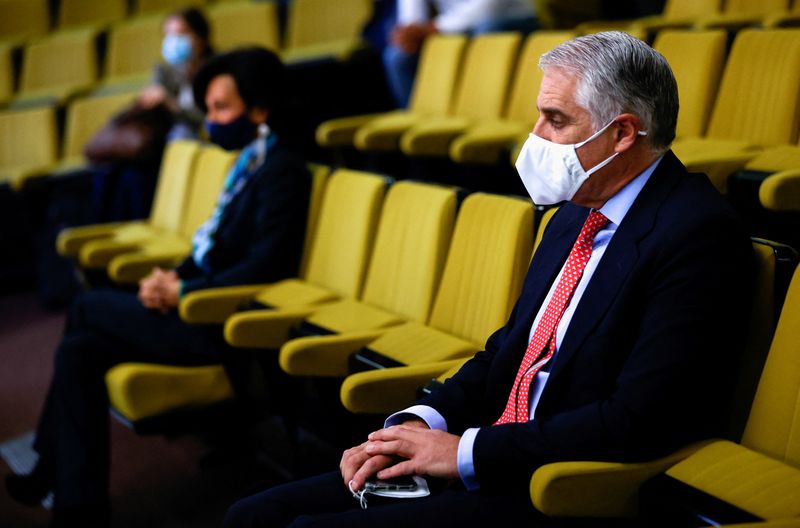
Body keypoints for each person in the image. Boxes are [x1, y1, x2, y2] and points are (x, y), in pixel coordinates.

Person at [223, 31, 755, 526]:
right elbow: (512, 350)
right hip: (489, 454)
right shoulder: (573, 212)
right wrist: (422, 422)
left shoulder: (696, 233)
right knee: (251, 516)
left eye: (555, 120)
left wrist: (464, 453)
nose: (536, 138)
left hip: (550, 487)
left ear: (620, 134)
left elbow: (640, 417)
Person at [4, 47, 311, 527]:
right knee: (79, 352)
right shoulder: (250, 161)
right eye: (207, 108)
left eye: (221, 108)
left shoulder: (283, 170)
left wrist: (185, 293)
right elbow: (214, 247)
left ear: (260, 109)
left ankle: (48, 461)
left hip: (222, 323)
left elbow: (265, 265)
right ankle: (79, 508)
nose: (211, 119)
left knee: (86, 307)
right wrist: (173, 276)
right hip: (198, 302)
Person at [384, 0, 538, 107]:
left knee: (487, 32)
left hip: (510, 19)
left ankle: (483, 117)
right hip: (453, 27)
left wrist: (436, 28)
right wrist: (410, 32)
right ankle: (419, 126)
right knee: (397, 56)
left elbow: (492, 6)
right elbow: (413, 15)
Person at [140, 6, 214, 141]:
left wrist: (170, 103)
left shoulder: (216, 71)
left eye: (181, 33)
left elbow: (209, 119)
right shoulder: (163, 71)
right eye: (168, 34)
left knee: (181, 133)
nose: (173, 41)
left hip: (200, 138)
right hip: (161, 137)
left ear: (200, 38)